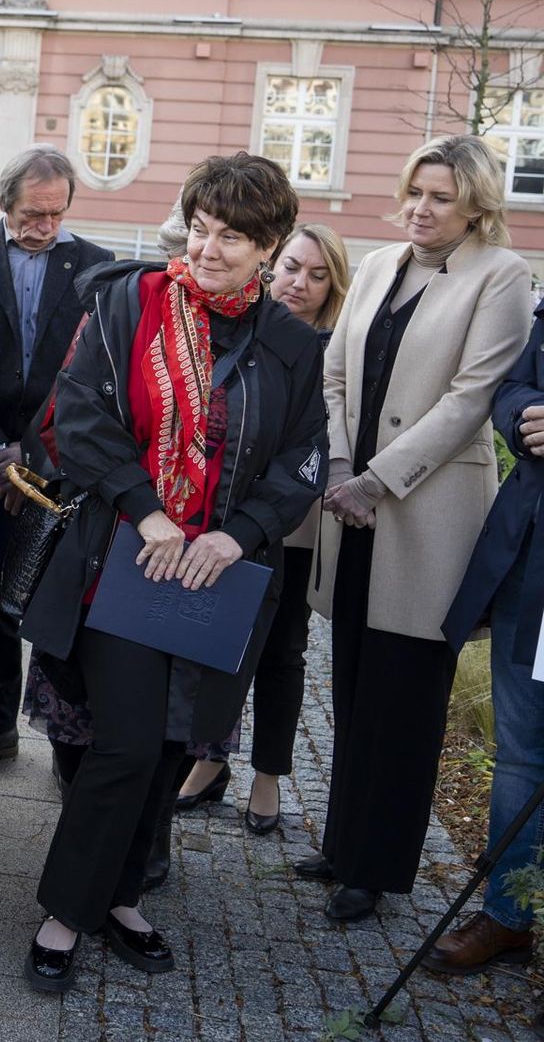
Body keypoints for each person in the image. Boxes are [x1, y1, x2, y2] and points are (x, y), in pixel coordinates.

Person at [19, 153, 327, 994]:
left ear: (269, 246)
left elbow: (304, 457)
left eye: (231, 236)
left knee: (167, 746)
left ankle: (121, 896)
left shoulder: (292, 344)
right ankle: (64, 912)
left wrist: (238, 535)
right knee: (123, 741)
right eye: (200, 228)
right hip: (124, 559)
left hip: (218, 575)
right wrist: (145, 508)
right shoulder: (128, 302)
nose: (208, 248)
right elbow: (76, 417)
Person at [298, 134, 533, 923]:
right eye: (415, 192)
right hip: (351, 505)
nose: (421, 209)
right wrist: (340, 467)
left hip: (424, 513)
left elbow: (471, 399)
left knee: (405, 699)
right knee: (354, 682)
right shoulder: (375, 265)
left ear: (476, 206)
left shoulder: (502, 276)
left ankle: (377, 865)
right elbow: (334, 372)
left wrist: (377, 478)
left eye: (440, 197)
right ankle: (341, 843)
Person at [176, 224, 349, 831]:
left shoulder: (335, 345)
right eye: (293, 268)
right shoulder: (241, 325)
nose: (300, 283)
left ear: (334, 285)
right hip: (225, 514)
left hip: (295, 519)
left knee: (282, 649)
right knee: (217, 643)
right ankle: (208, 760)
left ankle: (269, 774)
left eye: (318, 275)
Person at [0, 146, 114, 773]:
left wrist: (29, 450)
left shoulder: (97, 268)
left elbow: (91, 374)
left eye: (56, 214)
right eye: (32, 214)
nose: (45, 226)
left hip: (62, 457)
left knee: (60, 598)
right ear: (4, 202)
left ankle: (65, 735)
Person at [434, 297, 544, 972]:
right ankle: (508, 916)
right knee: (522, 751)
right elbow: (514, 386)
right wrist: (526, 415)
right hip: (531, 560)